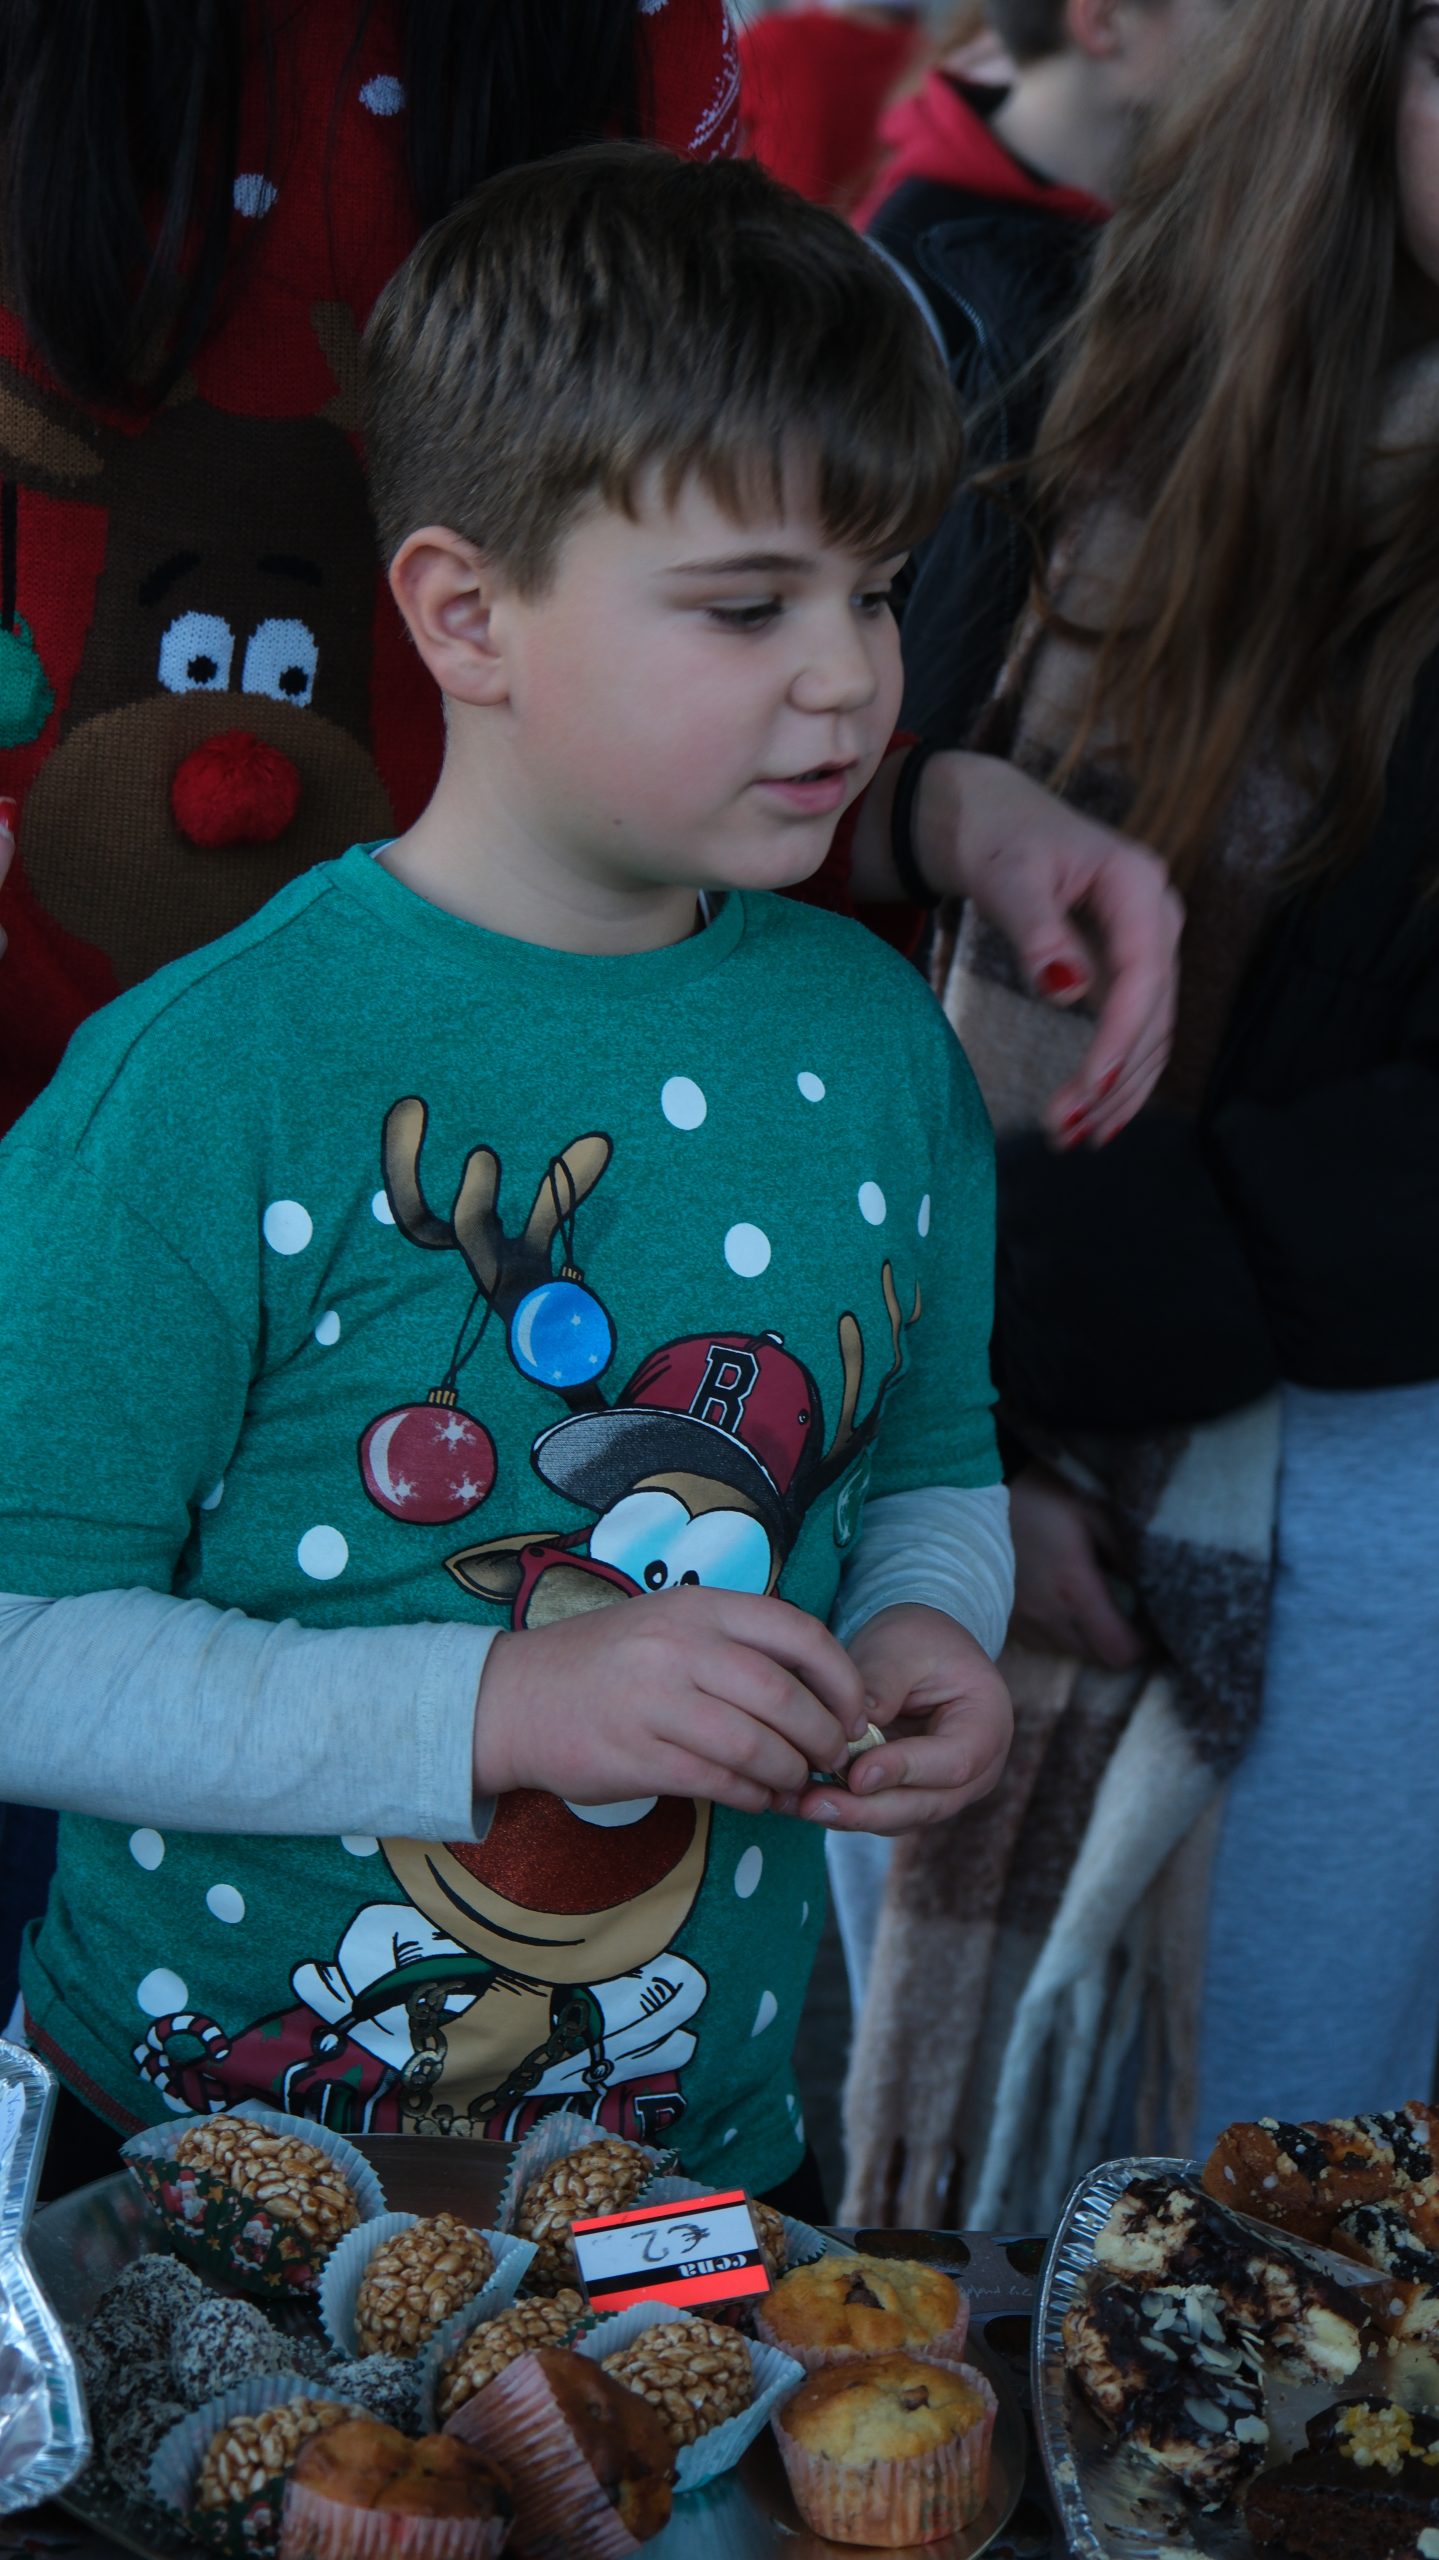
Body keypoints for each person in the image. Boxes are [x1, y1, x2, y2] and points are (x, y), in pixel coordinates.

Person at [0, 145, 1031, 2211]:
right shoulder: (207, 1079)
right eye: (745, 605)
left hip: (686, 2180)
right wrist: (510, 1694)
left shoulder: (876, 1040)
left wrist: (930, 1622)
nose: (847, 675)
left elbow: (927, 1450)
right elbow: (24, 1645)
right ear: (466, 614)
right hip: (191, 2193)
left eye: (872, 588)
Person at [842, 0, 1439, 2229]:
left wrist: (1008, 1318)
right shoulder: (1049, 375)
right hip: (919, 1435)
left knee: (1266, 2238)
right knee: (886, 2258)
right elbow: (818, 906)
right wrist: (950, 1422)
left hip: (1354, 1496)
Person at [860, 0, 1228, 746]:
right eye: (1228, 6)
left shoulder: (1159, 226)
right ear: (1104, 23)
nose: (1253, 31)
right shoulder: (915, 277)